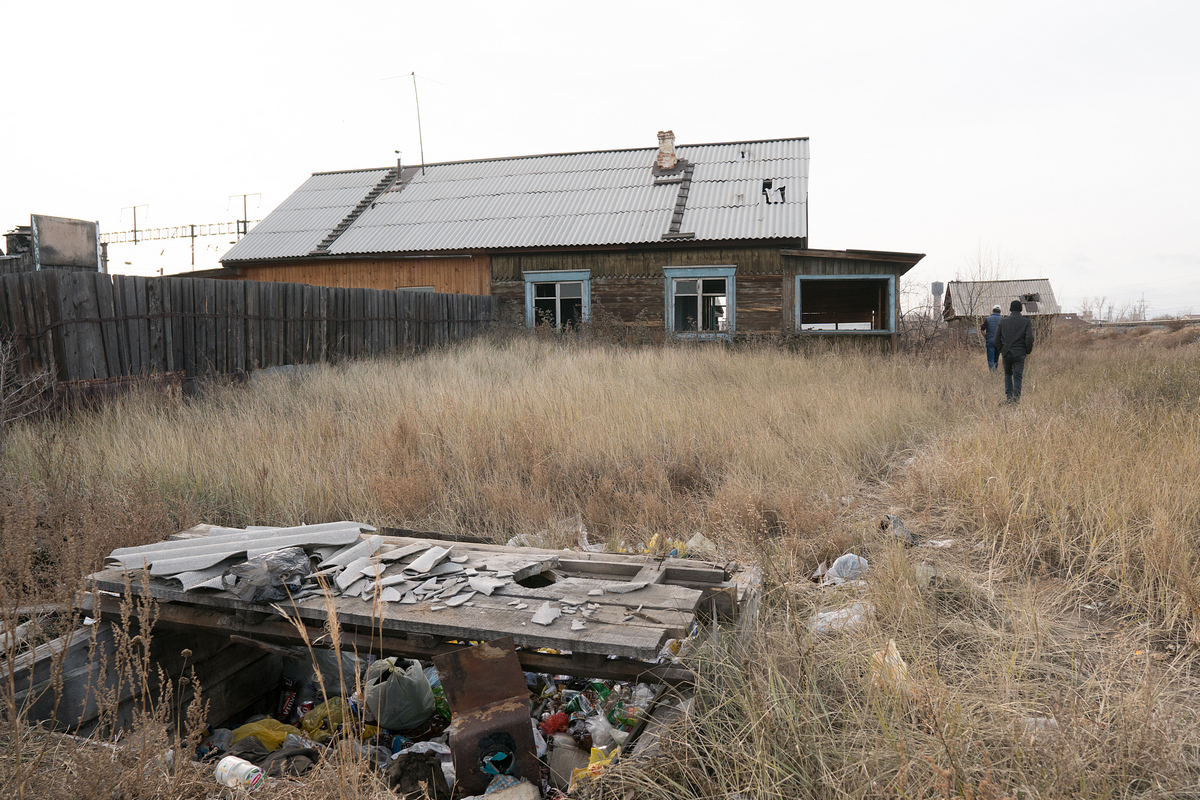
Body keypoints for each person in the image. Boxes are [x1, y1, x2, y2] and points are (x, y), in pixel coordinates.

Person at [995, 299, 1034, 404]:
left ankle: (1009, 398)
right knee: (1018, 376)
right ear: (1021, 309)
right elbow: (1029, 338)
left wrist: (1002, 349)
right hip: (1020, 352)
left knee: (1008, 374)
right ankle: (1016, 400)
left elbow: (996, 338)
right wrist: (1027, 350)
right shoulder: (1026, 321)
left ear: (1011, 309)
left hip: (1006, 352)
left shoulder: (1003, 321)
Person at [980, 305, 1002, 371]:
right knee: (996, 358)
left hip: (990, 341)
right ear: (1000, 312)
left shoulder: (988, 319)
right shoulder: (1003, 320)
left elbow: (982, 329)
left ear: (992, 311)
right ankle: (995, 370)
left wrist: (986, 337)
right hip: (999, 341)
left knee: (990, 358)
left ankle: (992, 373)